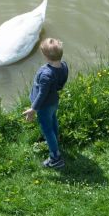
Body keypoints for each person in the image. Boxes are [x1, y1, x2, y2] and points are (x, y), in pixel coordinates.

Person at [22, 38, 69, 169]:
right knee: (53, 120)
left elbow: (42, 94)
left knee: (47, 129)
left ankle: (55, 158)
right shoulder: (63, 66)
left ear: (45, 56)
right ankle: (56, 138)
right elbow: (62, 81)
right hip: (54, 101)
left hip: (44, 106)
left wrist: (33, 109)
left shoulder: (46, 75)